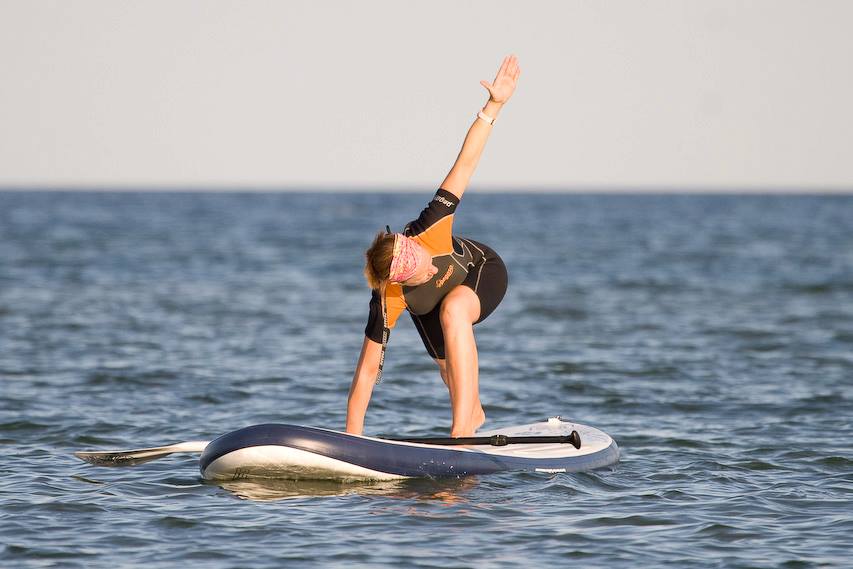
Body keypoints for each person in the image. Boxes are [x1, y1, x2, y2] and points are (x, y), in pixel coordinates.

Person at [346, 54, 521, 438]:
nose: (429, 271)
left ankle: (461, 433)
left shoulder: (431, 224)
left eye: (426, 264)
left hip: (481, 271)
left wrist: (494, 105)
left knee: (454, 309)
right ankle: (472, 416)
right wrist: (351, 443)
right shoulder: (389, 296)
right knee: (450, 371)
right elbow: (366, 372)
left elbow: (466, 163)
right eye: (420, 275)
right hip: (430, 308)